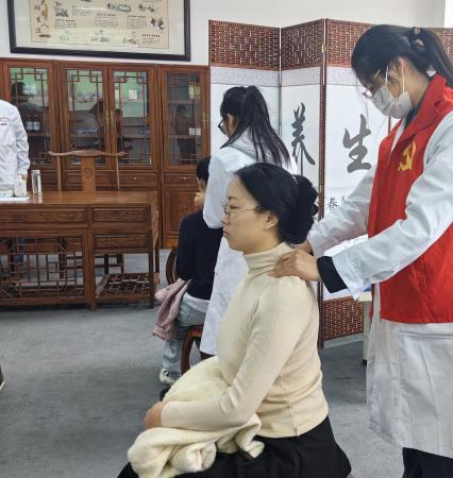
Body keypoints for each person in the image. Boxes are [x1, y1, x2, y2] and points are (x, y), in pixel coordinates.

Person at [272, 25, 453, 478]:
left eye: (372, 86)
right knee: (415, 438)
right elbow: (362, 205)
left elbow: (419, 228)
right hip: (405, 299)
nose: (375, 97)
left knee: (436, 447)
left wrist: (327, 269)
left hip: (443, 308)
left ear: (396, 67)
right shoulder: (402, 133)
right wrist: (311, 242)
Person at [119, 163, 351, 478]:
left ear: (269, 217)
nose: (224, 218)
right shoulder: (257, 273)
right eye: (224, 207)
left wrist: (165, 415)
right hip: (253, 429)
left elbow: (237, 408)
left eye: (233, 208)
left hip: (287, 448)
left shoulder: (283, 292)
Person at [200, 86, 295, 357]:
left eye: (223, 125)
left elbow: (212, 219)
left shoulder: (225, 157)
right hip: (278, 250)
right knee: (272, 330)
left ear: (230, 119)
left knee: (233, 329)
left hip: (239, 255)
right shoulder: (282, 152)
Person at [159, 157, 223, 386]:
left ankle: (171, 370)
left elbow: (184, 271)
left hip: (200, 304)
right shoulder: (241, 222)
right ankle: (209, 358)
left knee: (176, 319)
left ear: (201, 184)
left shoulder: (191, 223)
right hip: (235, 303)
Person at [0, 98, 30, 190]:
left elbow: (21, 140)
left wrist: (23, 169)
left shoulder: (9, 109)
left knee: (8, 196)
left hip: (7, 173)